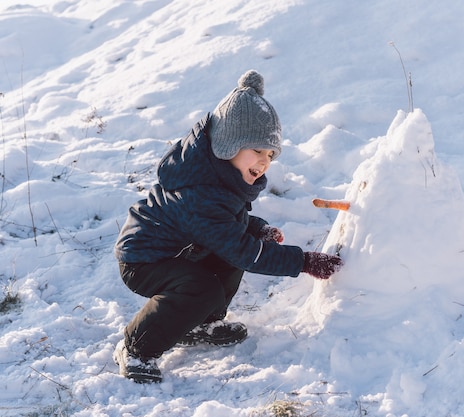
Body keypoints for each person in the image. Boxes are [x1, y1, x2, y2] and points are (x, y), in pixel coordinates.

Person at [112, 70, 343, 383]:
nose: (264, 162)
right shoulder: (200, 192)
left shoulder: (219, 177)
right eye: (257, 150)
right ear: (227, 145)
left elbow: (229, 222)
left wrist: (255, 227)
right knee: (202, 284)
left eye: (271, 154)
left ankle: (198, 323)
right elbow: (242, 249)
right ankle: (136, 347)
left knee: (227, 259)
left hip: (181, 249)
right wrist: (303, 261)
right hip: (144, 258)